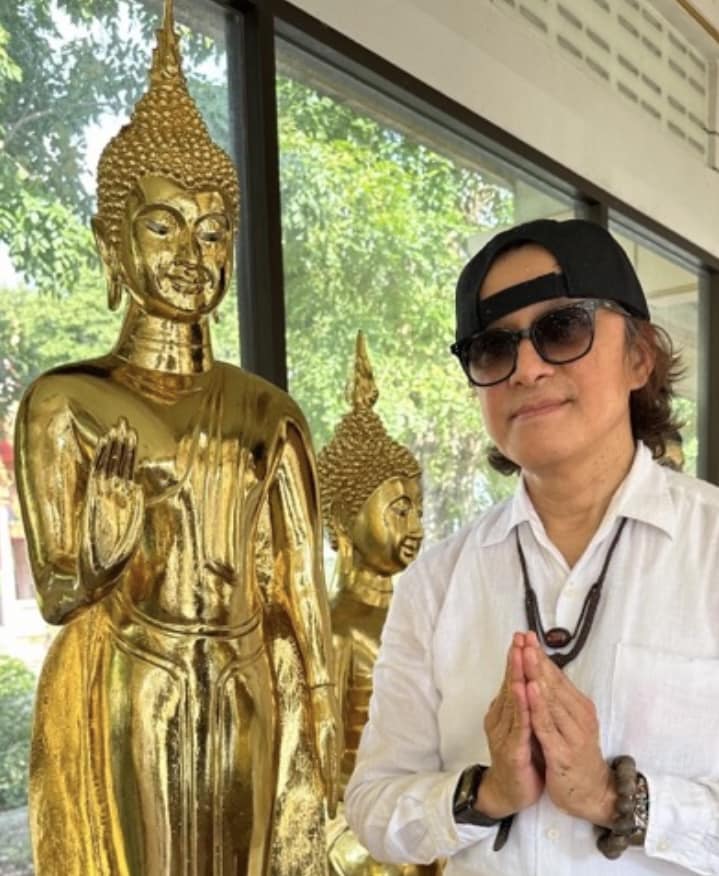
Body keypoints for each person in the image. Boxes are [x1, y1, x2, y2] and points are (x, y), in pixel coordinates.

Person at [14, 3, 340, 874]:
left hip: (244, 675)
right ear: (111, 241)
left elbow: (300, 586)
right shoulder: (65, 401)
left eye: (211, 230)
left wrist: (321, 706)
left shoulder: (268, 411)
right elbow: (55, 594)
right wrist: (95, 560)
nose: (191, 253)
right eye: (162, 226)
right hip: (138, 669)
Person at [345, 218, 719, 875]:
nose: (526, 368)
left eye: (562, 329)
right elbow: (374, 807)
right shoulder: (436, 583)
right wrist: (485, 794)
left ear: (638, 357)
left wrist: (618, 800)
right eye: (492, 349)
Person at [317, 331, 433, 875]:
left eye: (418, 510)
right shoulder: (334, 627)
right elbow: (317, 760)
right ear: (343, 523)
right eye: (399, 510)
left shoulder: (417, 614)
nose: (416, 527)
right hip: (354, 832)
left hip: (420, 814)